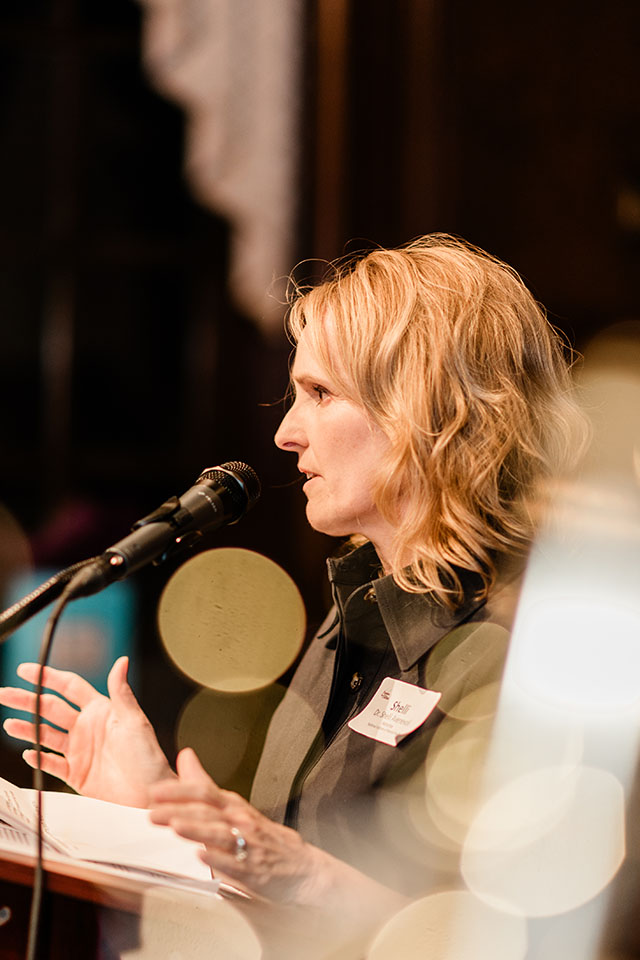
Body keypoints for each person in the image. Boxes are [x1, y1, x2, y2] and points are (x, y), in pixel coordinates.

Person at [0, 235, 586, 922]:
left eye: (318, 392)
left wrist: (301, 873)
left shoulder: (535, 649)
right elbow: (282, 878)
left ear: (424, 409)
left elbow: (510, 933)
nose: (285, 433)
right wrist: (153, 805)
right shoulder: (355, 613)